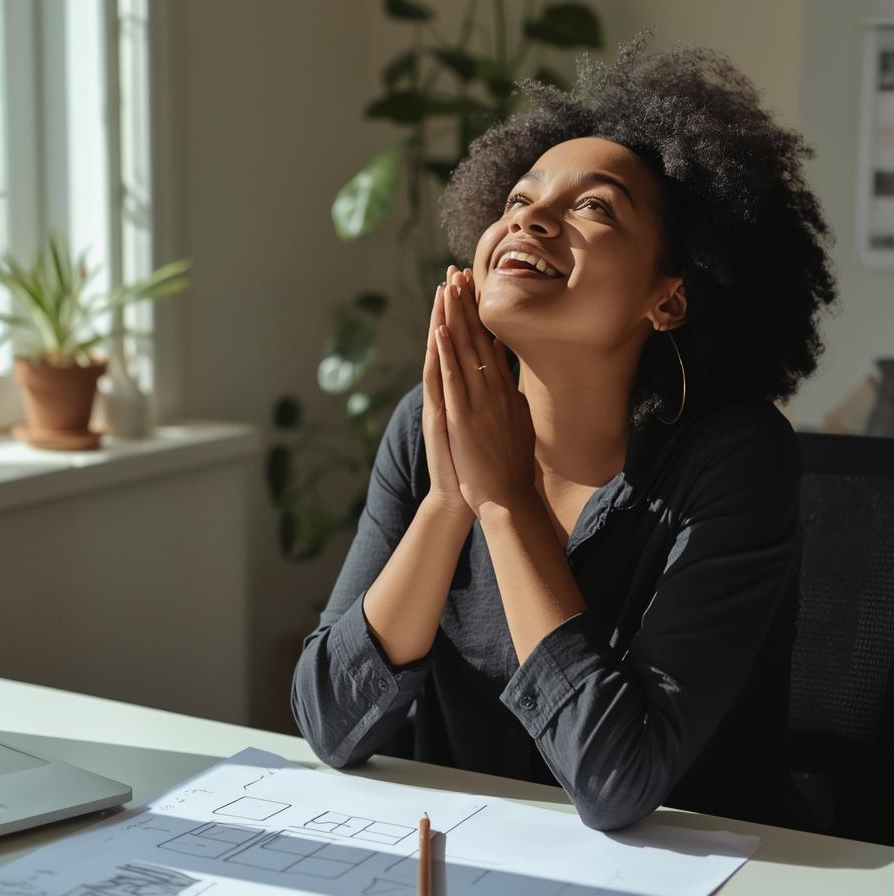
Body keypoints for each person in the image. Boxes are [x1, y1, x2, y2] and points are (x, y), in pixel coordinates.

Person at [291, 34, 836, 832]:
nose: (532, 219)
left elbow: (619, 779)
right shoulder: (428, 424)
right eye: (517, 200)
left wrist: (504, 505)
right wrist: (449, 501)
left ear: (669, 299)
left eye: (592, 207)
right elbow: (330, 725)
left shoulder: (735, 458)